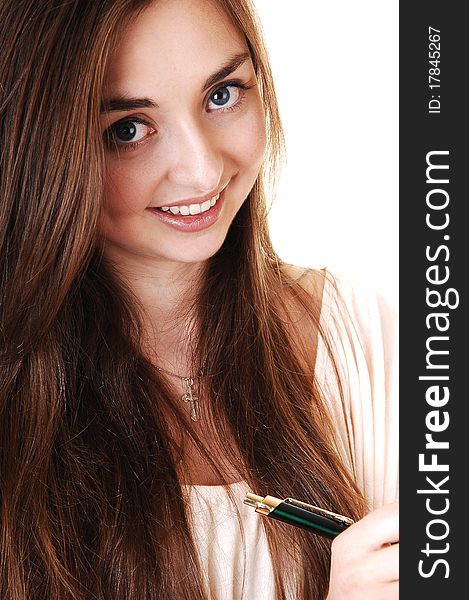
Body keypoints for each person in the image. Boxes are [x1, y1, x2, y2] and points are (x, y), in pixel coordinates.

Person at [0, 0, 398, 598]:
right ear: (36, 151)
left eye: (221, 94)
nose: (200, 168)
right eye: (127, 129)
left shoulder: (362, 335)